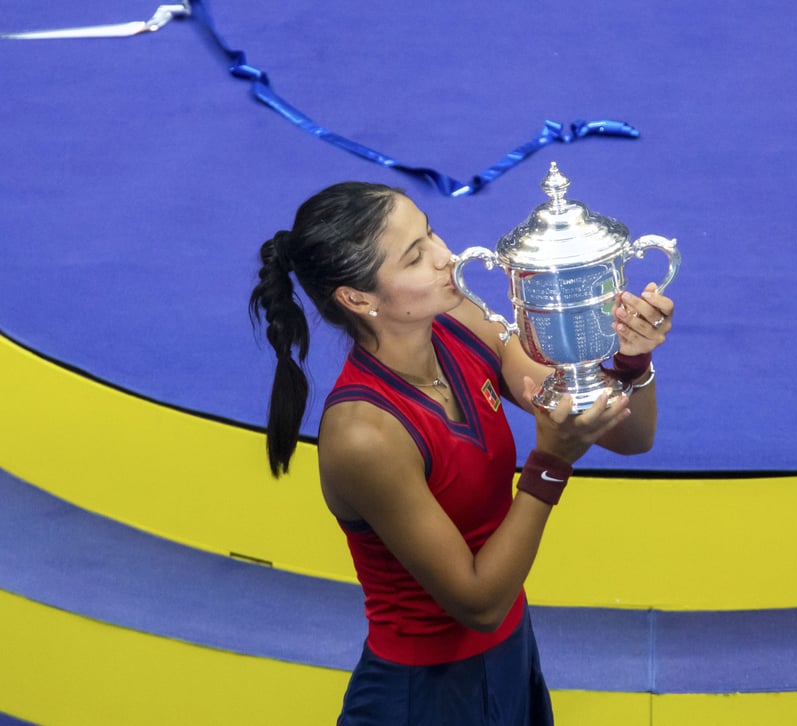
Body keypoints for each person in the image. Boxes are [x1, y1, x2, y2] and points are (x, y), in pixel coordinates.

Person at [249, 181, 674, 725]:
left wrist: (631, 361)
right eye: (415, 256)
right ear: (357, 298)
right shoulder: (365, 434)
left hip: (512, 658)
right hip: (421, 699)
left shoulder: (465, 326)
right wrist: (551, 465)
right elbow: (478, 603)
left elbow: (627, 436)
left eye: (430, 232)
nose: (446, 256)